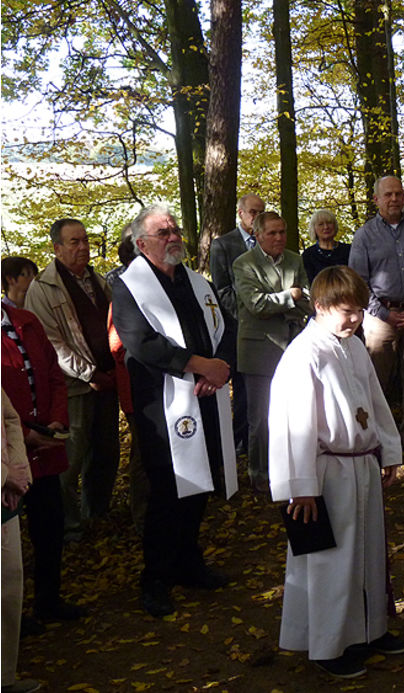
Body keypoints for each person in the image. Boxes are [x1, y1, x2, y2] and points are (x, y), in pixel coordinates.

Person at [268, 265, 404, 679]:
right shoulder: (304, 354)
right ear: (320, 306)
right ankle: (328, 644)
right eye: (346, 311)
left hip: (361, 464)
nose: (355, 319)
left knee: (367, 553)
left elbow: (376, 401)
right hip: (327, 471)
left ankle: (370, 629)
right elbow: (293, 424)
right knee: (331, 561)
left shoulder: (354, 346)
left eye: (360, 311)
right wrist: (301, 488)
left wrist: (388, 450)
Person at [111, 204, 238, 618]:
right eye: (163, 232)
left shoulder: (196, 282)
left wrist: (220, 369)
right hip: (161, 406)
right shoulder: (129, 286)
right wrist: (201, 365)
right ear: (141, 243)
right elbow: (142, 343)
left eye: (175, 230)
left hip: (205, 395)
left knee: (201, 485)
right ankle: (156, 578)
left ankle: (189, 563)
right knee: (167, 490)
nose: (173, 237)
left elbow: (225, 329)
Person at [25, 219, 119, 541]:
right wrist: (89, 373)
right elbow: (51, 344)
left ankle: (98, 513)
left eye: (85, 240)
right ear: (56, 248)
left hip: (108, 380)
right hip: (75, 385)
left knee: (106, 452)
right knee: (71, 457)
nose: (82, 247)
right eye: (73, 242)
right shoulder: (43, 288)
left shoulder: (99, 281)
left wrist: (110, 373)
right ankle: (70, 525)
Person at [2, 302, 86, 624]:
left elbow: (54, 376)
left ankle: (48, 602)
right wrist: (23, 435)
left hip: (45, 449)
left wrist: (56, 420)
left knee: (49, 528)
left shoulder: (27, 321)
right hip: (6, 458)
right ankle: (9, 618)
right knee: (7, 542)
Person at [348, 176, 404, 461]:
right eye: (388, 195)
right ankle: (377, 441)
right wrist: (385, 314)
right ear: (376, 199)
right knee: (376, 380)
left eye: (399, 194)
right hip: (379, 318)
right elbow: (358, 283)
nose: (394, 199)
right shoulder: (364, 236)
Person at [233, 211, 312, 492]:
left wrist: (295, 300)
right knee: (261, 417)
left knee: (295, 413)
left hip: (293, 345)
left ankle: (291, 467)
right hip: (259, 350)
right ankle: (260, 473)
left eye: (282, 232)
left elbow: (308, 299)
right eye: (272, 233)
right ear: (257, 235)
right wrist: (289, 296)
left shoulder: (294, 259)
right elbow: (256, 305)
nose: (279, 238)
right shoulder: (244, 264)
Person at [210, 193, 266, 456]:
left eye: (261, 212)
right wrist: (248, 314)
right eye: (253, 212)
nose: (257, 218)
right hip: (238, 326)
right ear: (241, 213)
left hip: (267, 327)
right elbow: (221, 290)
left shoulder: (268, 242)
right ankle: (237, 442)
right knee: (242, 389)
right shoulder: (223, 245)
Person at [1, 391, 42, 693]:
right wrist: (4, 476)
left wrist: (17, 471)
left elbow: (9, 418)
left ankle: (4, 678)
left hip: (5, 502)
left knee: (9, 588)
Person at [301, 209, 351, 286]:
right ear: (314, 229)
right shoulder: (308, 255)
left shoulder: (348, 250)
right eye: (321, 224)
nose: (326, 227)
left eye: (329, 223)